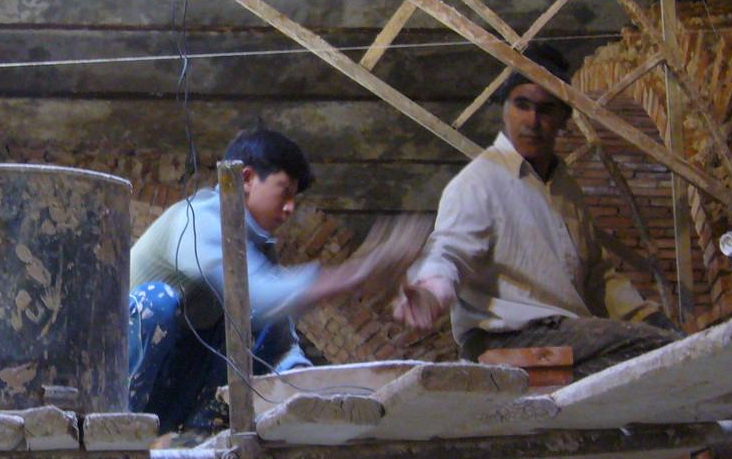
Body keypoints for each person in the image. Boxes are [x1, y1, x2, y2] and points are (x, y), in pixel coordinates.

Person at [396, 43, 679, 375]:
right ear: (505, 109)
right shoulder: (479, 181)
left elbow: (598, 276)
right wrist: (431, 291)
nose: (532, 120)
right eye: (522, 105)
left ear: (564, 118)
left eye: (546, 110)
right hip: (505, 339)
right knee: (654, 352)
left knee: (661, 359)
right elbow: (449, 250)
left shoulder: (565, 189)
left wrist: (648, 317)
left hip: (562, 336)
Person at [129, 126, 425, 434]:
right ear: (246, 179)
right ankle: (123, 422)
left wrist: (310, 393)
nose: (290, 208)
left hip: (173, 390)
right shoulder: (196, 219)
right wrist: (360, 272)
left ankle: (196, 436)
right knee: (156, 301)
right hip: (123, 382)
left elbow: (279, 339)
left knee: (261, 325)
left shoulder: (256, 248)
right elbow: (263, 297)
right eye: (284, 191)